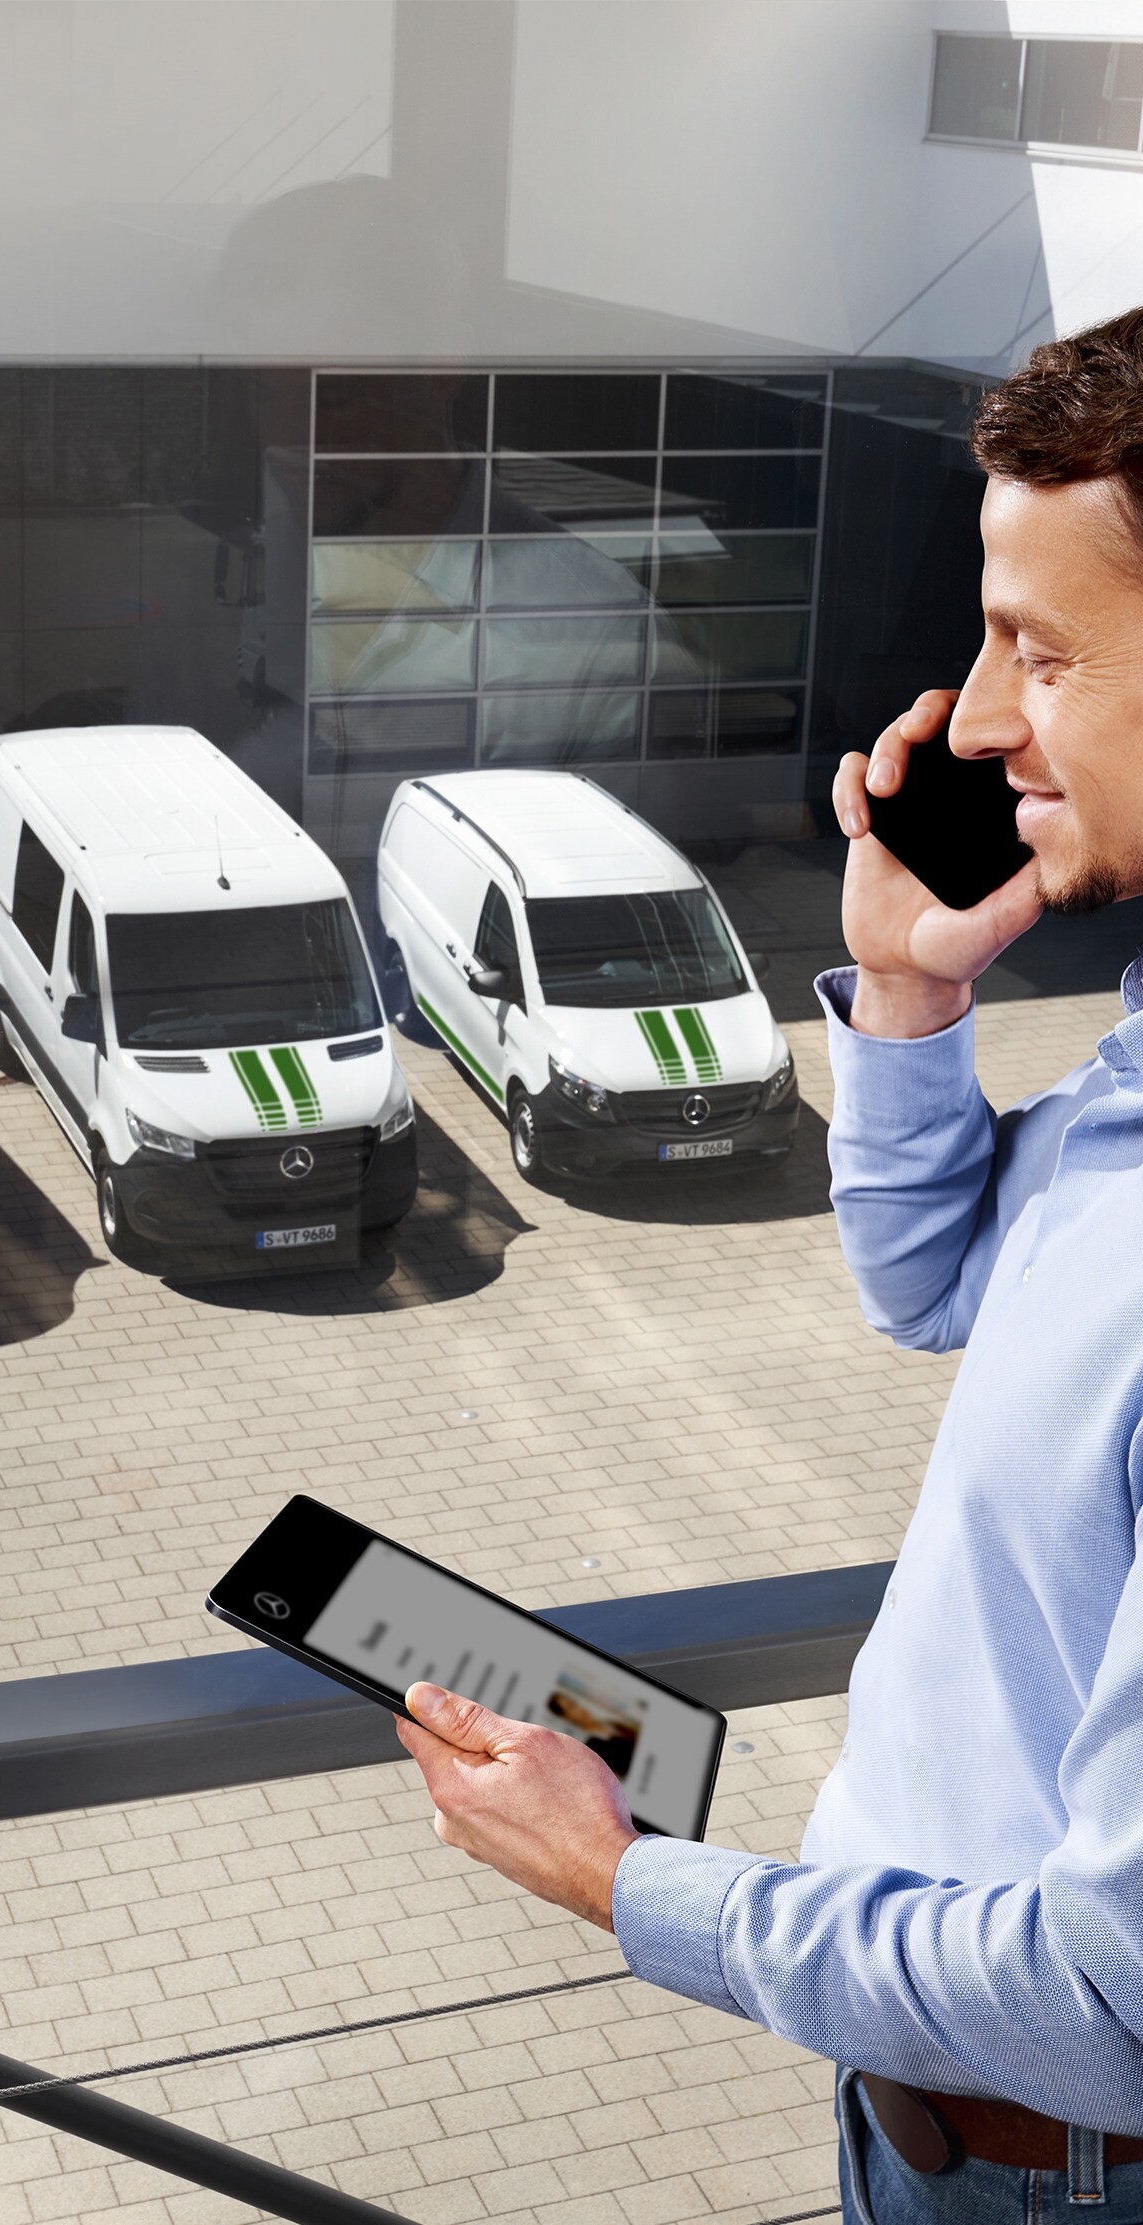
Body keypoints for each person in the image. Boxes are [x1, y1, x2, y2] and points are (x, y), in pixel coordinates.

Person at [393, 305, 1143, 2224]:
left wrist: (618, 1878)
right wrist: (904, 989)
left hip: (1052, 2166)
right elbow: (934, 1285)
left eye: (1042, 651)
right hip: (942, 2120)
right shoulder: (1134, 1062)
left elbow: (1113, 2009)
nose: (975, 721)